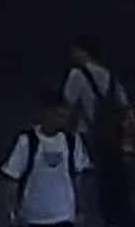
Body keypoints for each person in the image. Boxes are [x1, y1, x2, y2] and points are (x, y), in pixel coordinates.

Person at [71, 41, 133, 227]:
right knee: (110, 180)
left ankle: (86, 216)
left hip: (85, 134)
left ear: (83, 51)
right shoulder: (111, 77)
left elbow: (69, 104)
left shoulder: (77, 74)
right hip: (110, 139)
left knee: (85, 179)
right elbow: (124, 105)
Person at [14, 96, 98, 227]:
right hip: (34, 216)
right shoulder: (27, 141)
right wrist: (14, 211)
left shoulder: (72, 141)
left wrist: (81, 209)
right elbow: (13, 177)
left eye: (65, 117)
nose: (62, 121)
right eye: (59, 116)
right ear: (46, 114)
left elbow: (78, 178)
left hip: (64, 215)